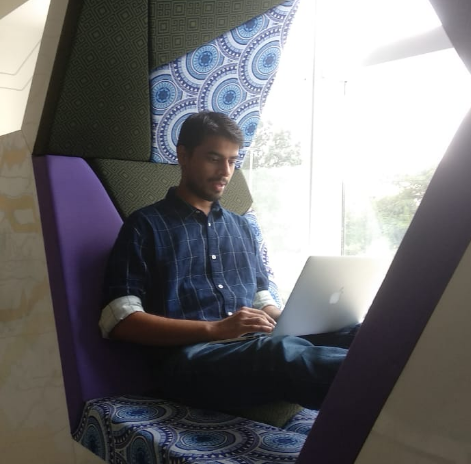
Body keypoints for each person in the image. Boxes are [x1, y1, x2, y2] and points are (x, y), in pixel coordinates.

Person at [100, 111, 358, 411]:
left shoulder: (241, 227)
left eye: (233, 161)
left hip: (251, 347)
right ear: (183, 156)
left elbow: (261, 299)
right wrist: (215, 329)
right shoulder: (144, 225)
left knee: (354, 332)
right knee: (278, 352)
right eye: (214, 158)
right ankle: (383, 387)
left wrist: (296, 321)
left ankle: (394, 380)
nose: (225, 171)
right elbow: (119, 321)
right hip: (190, 361)